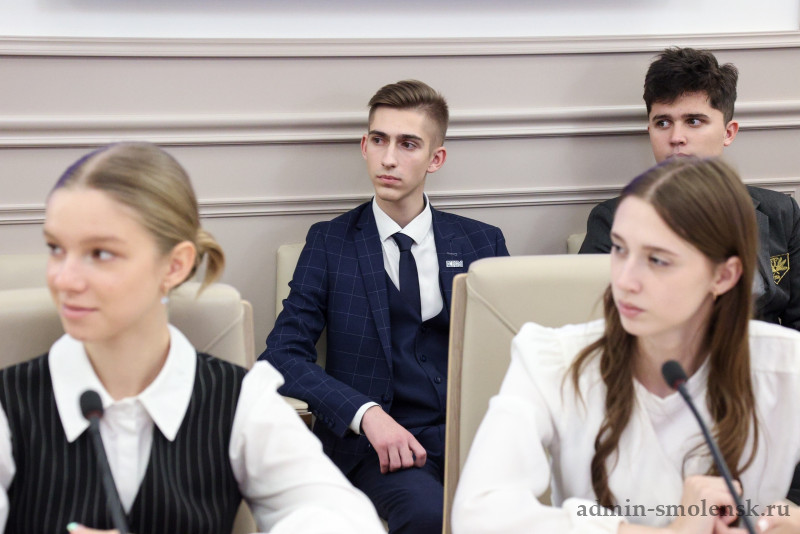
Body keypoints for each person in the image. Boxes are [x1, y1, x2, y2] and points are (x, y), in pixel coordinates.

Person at [0, 142, 385, 534]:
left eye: (100, 253)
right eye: (55, 248)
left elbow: (347, 520)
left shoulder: (241, 400)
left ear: (175, 265)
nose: (63, 279)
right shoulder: (7, 405)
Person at [452, 157, 800, 534]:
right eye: (619, 249)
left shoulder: (786, 366)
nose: (624, 280)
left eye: (657, 260)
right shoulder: (552, 359)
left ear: (724, 275)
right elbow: (478, 514)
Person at [261, 79, 509, 534]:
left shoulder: (481, 241)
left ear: (436, 158)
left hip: (473, 439)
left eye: (408, 144)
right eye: (379, 140)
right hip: (378, 449)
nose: (388, 158)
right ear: (365, 146)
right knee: (428, 516)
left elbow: (511, 351)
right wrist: (366, 415)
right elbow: (280, 355)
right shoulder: (329, 242)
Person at [579, 47, 800, 332]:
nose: (676, 137)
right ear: (650, 131)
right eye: (663, 123)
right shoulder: (612, 218)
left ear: (728, 132)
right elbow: (595, 324)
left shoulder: (781, 213)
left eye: (694, 121)